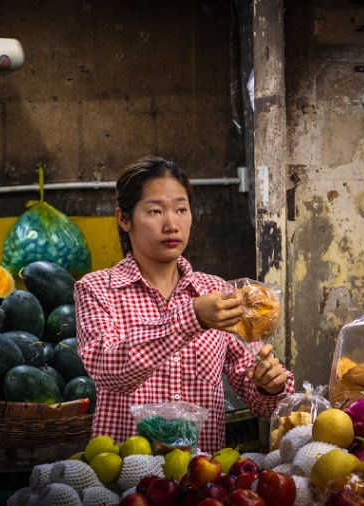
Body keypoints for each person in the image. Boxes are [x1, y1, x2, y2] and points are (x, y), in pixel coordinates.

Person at [74, 155, 295, 452]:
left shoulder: (217, 291)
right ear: (124, 219)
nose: (171, 224)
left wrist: (270, 384)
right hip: (122, 476)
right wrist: (192, 317)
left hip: (201, 479)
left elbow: (259, 399)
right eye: (155, 211)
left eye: (181, 209)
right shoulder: (97, 289)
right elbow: (110, 369)